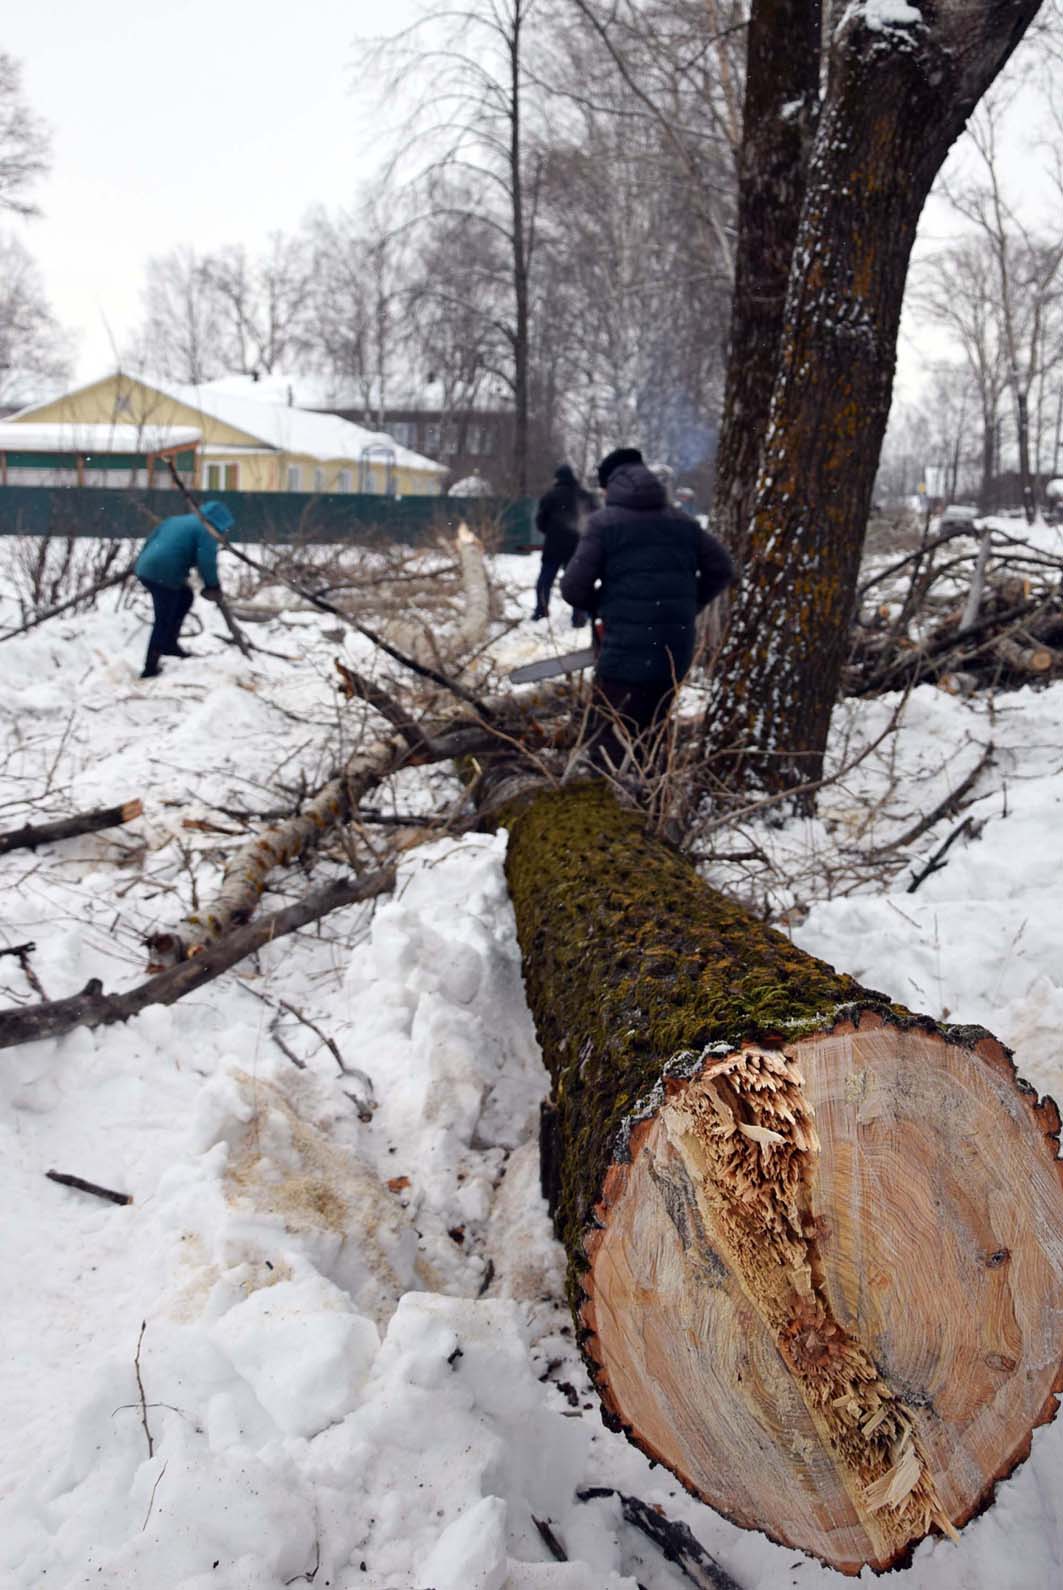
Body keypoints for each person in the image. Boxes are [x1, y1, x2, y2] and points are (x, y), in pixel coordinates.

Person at [560, 446, 734, 774]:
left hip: (623, 651)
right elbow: (722, 568)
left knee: (610, 739)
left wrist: (603, 604)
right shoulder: (683, 522)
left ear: (609, 486)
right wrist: (688, 606)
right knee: (652, 735)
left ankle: (612, 799)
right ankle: (650, 796)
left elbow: (572, 587)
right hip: (674, 652)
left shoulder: (604, 524)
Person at [134, 500, 235, 678]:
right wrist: (213, 586)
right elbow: (206, 560)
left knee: (184, 596)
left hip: (145, 567)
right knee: (163, 618)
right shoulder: (206, 529)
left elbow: (151, 540)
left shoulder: (176, 520)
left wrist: (144, 564)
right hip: (164, 573)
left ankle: (169, 645)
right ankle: (150, 667)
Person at [532, 464, 596, 623]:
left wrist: (552, 532)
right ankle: (579, 615)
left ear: (557, 478)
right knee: (578, 581)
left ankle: (541, 611)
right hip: (577, 546)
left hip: (553, 546)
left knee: (545, 580)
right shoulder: (584, 496)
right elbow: (594, 520)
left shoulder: (550, 496)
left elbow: (540, 522)